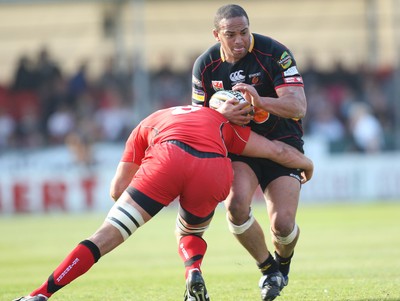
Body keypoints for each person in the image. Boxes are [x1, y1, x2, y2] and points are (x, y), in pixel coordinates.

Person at [13, 105, 313, 301]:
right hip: (212, 168)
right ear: (225, 109)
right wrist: (306, 163)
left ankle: (41, 294)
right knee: (189, 233)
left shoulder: (150, 120)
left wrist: (148, 199)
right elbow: (276, 151)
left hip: (166, 158)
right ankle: (193, 272)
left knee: (104, 236)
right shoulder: (223, 125)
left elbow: (117, 189)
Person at [192, 4, 307, 301]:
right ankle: (269, 269)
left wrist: (259, 102)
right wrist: (221, 113)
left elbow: (298, 106)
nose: (240, 40)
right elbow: (198, 119)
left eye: (244, 32)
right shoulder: (204, 66)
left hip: (282, 143)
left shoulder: (274, 53)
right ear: (217, 34)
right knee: (235, 208)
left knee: (282, 225)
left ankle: (283, 265)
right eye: (230, 34)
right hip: (241, 149)